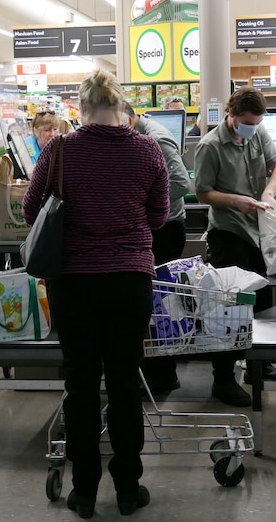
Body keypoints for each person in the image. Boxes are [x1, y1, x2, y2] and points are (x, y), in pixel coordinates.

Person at [22, 69, 168, 518]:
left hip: (75, 283)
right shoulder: (147, 150)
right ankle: (129, 488)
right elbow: (160, 215)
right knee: (125, 383)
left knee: (81, 385)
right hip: (129, 282)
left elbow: (31, 210)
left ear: (81, 109)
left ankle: (84, 491)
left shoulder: (60, 149)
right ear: (121, 105)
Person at [193, 85, 276, 408]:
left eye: (257, 122)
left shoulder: (258, 134)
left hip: (259, 234)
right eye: (247, 122)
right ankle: (222, 379)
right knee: (230, 308)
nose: (252, 128)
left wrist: (268, 194)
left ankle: (259, 366)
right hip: (228, 234)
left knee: (263, 303)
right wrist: (236, 201)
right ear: (232, 115)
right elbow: (203, 192)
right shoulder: (210, 147)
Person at [123, 100, 192, 394]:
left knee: (159, 305)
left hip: (164, 230)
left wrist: (143, 202)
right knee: (151, 304)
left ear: (128, 118)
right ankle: (155, 372)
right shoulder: (136, 135)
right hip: (153, 228)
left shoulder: (156, 138)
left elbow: (181, 183)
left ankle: (163, 375)